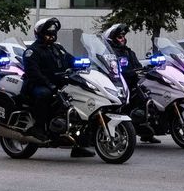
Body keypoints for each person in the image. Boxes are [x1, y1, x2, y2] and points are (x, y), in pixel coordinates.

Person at [20, 17, 94, 158]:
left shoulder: (58, 49)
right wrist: (49, 84)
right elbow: (33, 73)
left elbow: (71, 60)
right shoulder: (32, 51)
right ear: (40, 33)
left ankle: (80, 144)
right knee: (44, 94)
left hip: (58, 84)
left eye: (53, 33)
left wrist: (84, 63)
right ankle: (39, 128)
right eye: (48, 33)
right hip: (37, 85)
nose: (51, 36)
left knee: (80, 100)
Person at [103, 23, 159, 144]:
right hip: (118, 84)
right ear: (112, 39)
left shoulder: (129, 52)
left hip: (132, 83)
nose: (123, 39)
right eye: (119, 37)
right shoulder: (109, 53)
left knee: (148, 98)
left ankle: (146, 130)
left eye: (123, 36)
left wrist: (144, 70)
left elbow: (137, 66)